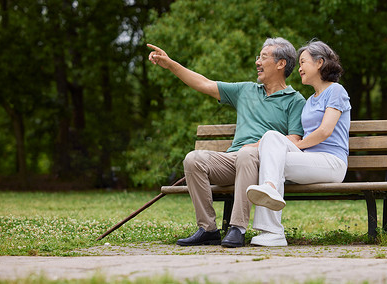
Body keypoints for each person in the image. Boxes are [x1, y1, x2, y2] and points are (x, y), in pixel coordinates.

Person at [147, 38, 306, 248]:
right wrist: (170, 64)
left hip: (265, 165)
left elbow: (294, 140)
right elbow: (204, 83)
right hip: (235, 160)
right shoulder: (246, 90)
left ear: (281, 63)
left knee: (246, 154)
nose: (258, 62)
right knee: (193, 159)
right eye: (257, 57)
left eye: (263, 57)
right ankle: (208, 230)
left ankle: (237, 228)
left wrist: (257, 146)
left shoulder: (295, 100)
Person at [246, 40, 351, 247]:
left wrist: (296, 146)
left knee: (272, 156)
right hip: (309, 160)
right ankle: (270, 200)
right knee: (271, 137)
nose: (299, 68)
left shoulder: (336, 91)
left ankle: (272, 226)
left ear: (319, 63)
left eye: (303, 62)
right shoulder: (310, 100)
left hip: (332, 163)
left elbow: (324, 131)